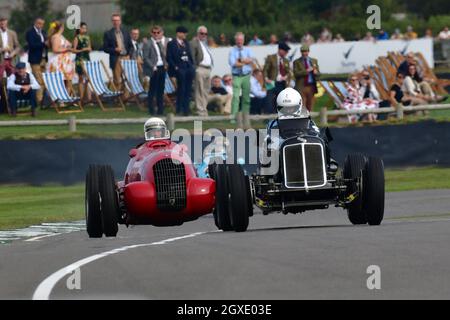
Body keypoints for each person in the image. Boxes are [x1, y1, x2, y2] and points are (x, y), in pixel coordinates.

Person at [167, 26, 195, 116]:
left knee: (188, 89)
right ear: (178, 33)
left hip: (188, 67)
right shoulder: (172, 43)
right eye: (183, 33)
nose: (185, 35)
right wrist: (175, 67)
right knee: (181, 89)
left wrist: (192, 65)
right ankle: (179, 109)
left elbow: (189, 55)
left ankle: (186, 109)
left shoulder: (186, 42)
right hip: (179, 68)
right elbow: (169, 57)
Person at [229, 32, 254, 126]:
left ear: (243, 40)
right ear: (235, 41)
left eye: (241, 40)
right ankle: (233, 118)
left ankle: (245, 117)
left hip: (246, 75)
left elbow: (251, 60)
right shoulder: (232, 51)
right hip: (236, 76)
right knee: (235, 97)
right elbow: (233, 63)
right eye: (238, 40)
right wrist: (245, 61)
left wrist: (240, 61)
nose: (239, 41)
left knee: (246, 98)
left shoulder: (248, 49)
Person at [103, 13, 133, 91]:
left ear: (120, 21)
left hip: (126, 57)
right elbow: (105, 48)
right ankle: (118, 98)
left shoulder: (126, 32)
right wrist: (114, 49)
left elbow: (131, 46)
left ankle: (125, 98)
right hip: (116, 58)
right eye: (114, 20)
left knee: (127, 79)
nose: (116, 22)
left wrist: (129, 55)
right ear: (112, 22)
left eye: (117, 20)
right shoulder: (108, 34)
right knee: (117, 80)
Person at [143, 25, 168, 115]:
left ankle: (160, 109)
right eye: (154, 32)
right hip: (153, 68)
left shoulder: (160, 43)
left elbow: (163, 55)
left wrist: (165, 64)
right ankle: (151, 109)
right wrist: (153, 66)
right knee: (152, 90)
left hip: (162, 67)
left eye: (158, 32)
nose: (156, 34)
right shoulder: (148, 43)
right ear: (151, 33)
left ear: (161, 33)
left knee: (161, 90)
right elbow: (145, 57)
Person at [191, 25, 214, 117]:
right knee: (199, 89)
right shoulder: (194, 43)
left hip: (208, 69)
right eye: (202, 33)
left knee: (206, 90)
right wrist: (195, 68)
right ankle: (200, 110)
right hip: (200, 68)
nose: (204, 35)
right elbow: (192, 57)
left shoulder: (205, 44)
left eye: (205, 34)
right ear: (198, 33)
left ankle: (204, 109)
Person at [47, 21, 75, 94]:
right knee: (60, 80)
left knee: (68, 80)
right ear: (61, 28)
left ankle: (66, 97)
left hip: (66, 61)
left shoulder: (61, 36)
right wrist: (67, 49)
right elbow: (55, 49)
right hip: (59, 61)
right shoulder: (55, 37)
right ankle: (59, 99)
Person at [25, 17, 48, 106]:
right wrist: (43, 44)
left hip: (43, 58)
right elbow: (32, 45)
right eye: (39, 23)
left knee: (43, 79)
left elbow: (46, 44)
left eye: (42, 24)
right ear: (35, 22)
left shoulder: (44, 32)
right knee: (38, 79)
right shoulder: (30, 32)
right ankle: (39, 100)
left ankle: (41, 99)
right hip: (35, 59)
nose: (40, 25)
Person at [263, 42, 291, 108]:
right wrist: (266, 78)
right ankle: (269, 116)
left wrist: (286, 77)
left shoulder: (286, 60)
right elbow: (265, 70)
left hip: (282, 84)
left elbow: (289, 72)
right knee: (269, 102)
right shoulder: (271, 58)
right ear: (280, 50)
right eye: (285, 51)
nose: (286, 53)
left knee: (281, 103)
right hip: (272, 83)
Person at [293, 45, 320, 112]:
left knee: (310, 104)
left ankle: (310, 119)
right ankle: (303, 119)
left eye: (306, 51)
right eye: (303, 51)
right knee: (302, 104)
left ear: (308, 52)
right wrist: (307, 71)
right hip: (301, 86)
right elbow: (296, 74)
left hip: (311, 86)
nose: (304, 53)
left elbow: (318, 73)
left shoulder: (314, 61)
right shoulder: (296, 62)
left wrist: (316, 73)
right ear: (301, 52)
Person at [73, 22, 92, 104]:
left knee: (87, 79)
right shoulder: (77, 38)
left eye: (85, 28)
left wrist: (89, 49)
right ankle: (80, 99)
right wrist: (82, 50)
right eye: (83, 28)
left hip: (87, 59)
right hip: (79, 59)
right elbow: (73, 50)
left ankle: (89, 99)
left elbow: (90, 48)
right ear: (79, 29)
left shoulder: (88, 37)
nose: (84, 29)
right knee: (81, 79)